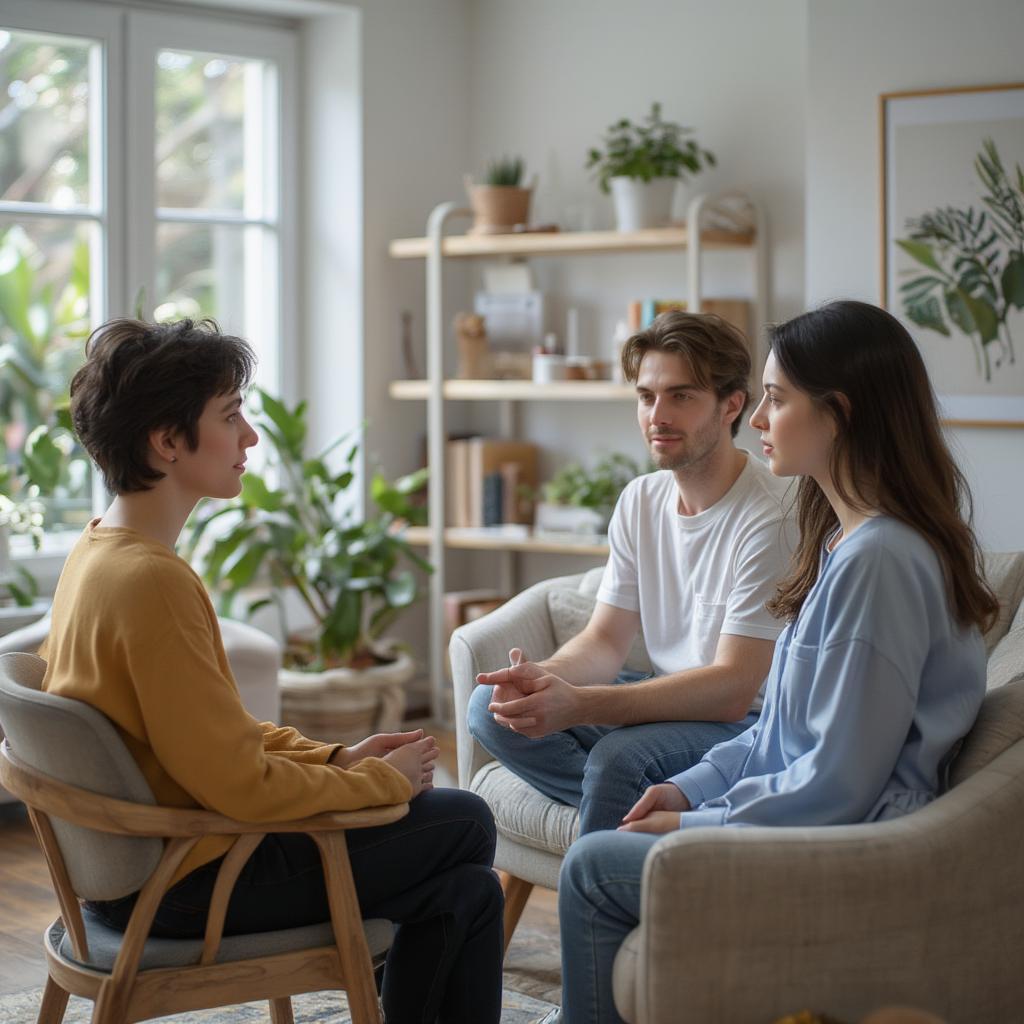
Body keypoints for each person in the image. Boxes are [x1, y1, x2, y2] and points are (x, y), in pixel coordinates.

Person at [41, 317, 503, 1024]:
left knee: (468, 892)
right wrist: (375, 782)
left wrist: (339, 756)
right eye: (229, 417)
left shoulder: (99, 552)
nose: (250, 437)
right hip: (188, 881)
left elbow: (214, 737)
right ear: (166, 442)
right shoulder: (151, 583)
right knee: (465, 820)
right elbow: (236, 782)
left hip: (133, 870)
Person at [554, 300, 998, 1024]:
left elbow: (838, 781)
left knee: (594, 866)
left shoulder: (880, 562)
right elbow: (779, 733)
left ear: (840, 415)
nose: (757, 419)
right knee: (609, 825)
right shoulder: (840, 545)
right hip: (803, 818)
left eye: (776, 398)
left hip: (845, 845)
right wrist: (690, 790)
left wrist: (693, 830)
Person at [469, 311, 797, 834]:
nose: (657, 416)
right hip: (668, 697)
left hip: (741, 724)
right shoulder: (641, 499)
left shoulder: (773, 514)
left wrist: (580, 706)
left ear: (731, 405)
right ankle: (662, 807)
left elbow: (734, 687)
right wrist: (544, 679)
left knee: (618, 760)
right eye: (646, 397)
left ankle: (621, 836)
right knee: (490, 708)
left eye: (681, 396)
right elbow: (603, 640)